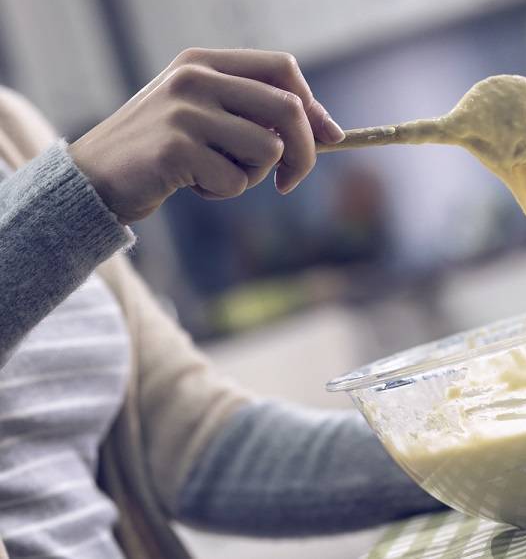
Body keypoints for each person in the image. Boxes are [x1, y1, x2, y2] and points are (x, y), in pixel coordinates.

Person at [0, 48, 441, 558]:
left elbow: (202, 450)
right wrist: (83, 189)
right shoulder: (66, 173)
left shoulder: (12, 130)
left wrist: (485, 441)